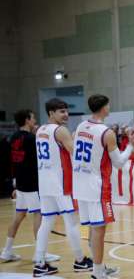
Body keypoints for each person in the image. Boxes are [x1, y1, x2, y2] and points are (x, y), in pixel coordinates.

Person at [73, 94, 134, 279]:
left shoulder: (80, 126)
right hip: (96, 187)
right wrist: (131, 145)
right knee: (99, 230)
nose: (109, 107)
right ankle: (97, 273)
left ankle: (99, 267)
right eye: (108, 105)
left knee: (92, 229)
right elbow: (118, 163)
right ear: (104, 108)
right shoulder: (106, 132)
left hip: (79, 184)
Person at [32, 99, 93, 277]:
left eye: (66, 111)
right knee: (71, 222)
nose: (65, 114)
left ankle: (40, 264)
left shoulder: (40, 130)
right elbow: (76, 153)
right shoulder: (60, 130)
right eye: (61, 111)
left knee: (47, 222)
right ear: (51, 113)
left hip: (44, 182)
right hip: (60, 182)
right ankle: (80, 260)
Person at [1, 110, 58, 264]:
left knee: (18, 217)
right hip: (32, 183)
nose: (34, 120)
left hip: (20, 183)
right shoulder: (32, 139)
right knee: (39, 215)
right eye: (33, 118)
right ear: (27, 120)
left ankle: (7, 251)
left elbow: (13, 161)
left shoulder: (13, 137)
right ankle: (40, 254)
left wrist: (15, 182)